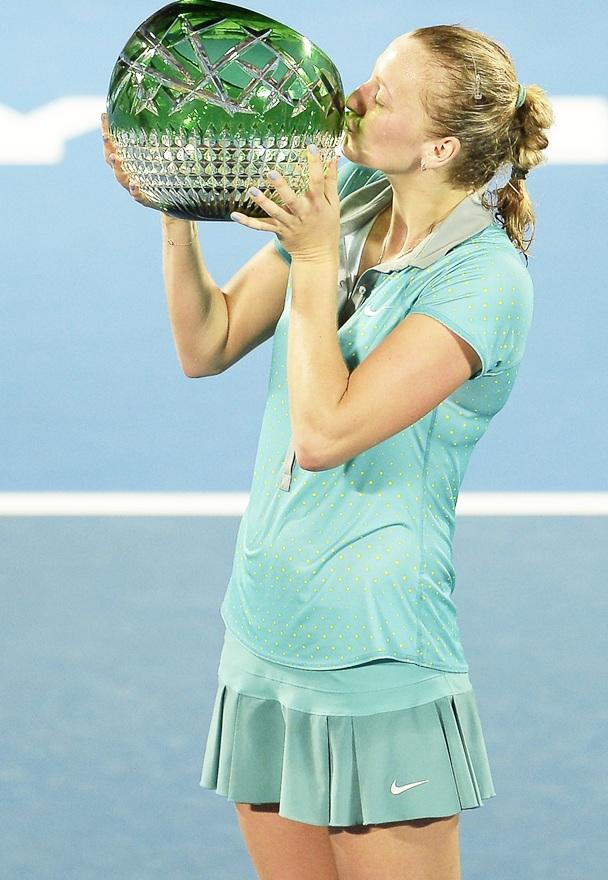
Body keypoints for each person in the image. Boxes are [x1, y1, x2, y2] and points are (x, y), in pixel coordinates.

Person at [102, 23, 554, 880]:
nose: (351, 99)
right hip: (267, 629)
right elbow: (208, 341)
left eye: (383, 94)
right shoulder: (349, 196)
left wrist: (312, 261)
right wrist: (175, 207)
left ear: (440, 146)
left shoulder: (485, 283)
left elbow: (324, 434)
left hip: (375, 654)